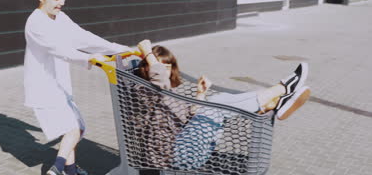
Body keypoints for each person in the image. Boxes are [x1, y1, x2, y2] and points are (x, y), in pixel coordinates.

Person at [133, 39, 311, 170]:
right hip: (170, 156)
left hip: (185, 149)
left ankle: (274, 100)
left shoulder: (166, 93)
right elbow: (160, 83)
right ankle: (279, 92)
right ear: (146, 67)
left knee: (218, 99)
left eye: (167, 66)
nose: (163, 70)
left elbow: (186, 118)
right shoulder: (143, 91)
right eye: (157, 65)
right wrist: (148, 54)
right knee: (216, 105)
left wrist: (200, 95)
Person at [24, 0, 130, 175]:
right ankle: (57, 169)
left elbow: (82, 37)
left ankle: (69, 170)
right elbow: (60, 50)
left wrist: (118, 49)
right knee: (73, 129)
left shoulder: (60, 18)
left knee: (75, 129)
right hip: (44, 86)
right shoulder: (35, 23)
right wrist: (90, 59)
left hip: (59, 84)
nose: (62, 2)